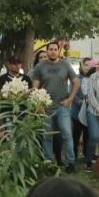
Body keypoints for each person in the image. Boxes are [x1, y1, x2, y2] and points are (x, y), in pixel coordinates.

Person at [32, 42, 81, 171]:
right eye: (50, 50)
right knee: (47, 136)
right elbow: (35, 88)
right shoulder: (39, 67)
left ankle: (70, 162)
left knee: (67, 134)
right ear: (47, 51)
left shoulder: (65, 65)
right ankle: (48, 163)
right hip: (46, 107)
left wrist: (70, 99)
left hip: (62, 106)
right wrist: (38, 104)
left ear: (58, 51)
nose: (53, 51)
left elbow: (76, 83)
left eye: (55, 49)